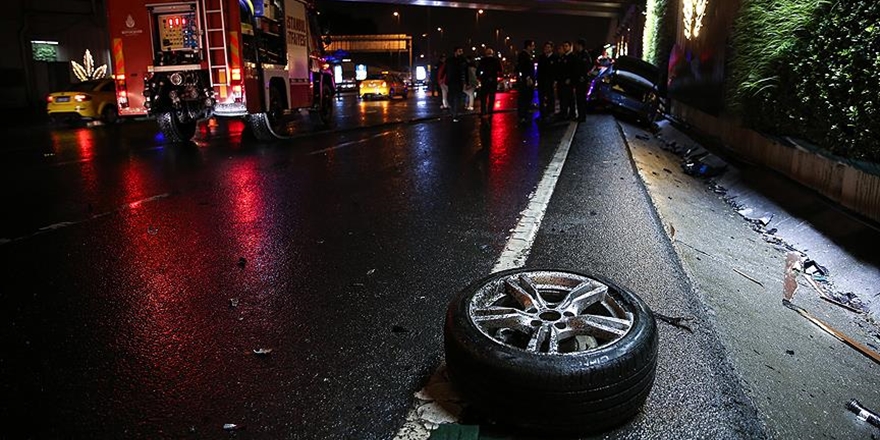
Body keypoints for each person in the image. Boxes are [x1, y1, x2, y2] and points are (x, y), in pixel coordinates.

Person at [477, 47, 502, 119]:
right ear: (492, 53)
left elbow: (478, 70)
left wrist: (480, 77)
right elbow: (500, 70)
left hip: (484, 80)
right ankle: (490, 111)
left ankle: (483, 111)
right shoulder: (496, 61)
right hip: (493, 80)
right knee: (492, 97)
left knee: (483, 97)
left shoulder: (483, 60)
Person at [516, 39, 536, 124]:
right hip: (526, 81)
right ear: (528, 46)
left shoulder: (528, 55)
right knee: (524, 98)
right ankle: (522, 116)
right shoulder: (523, 55)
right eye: (532, 45)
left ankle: (526, 114)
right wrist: (527, 77)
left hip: (529, 79)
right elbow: (523, 67)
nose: (534, 47)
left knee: (528, 97)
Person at [536, 41, 557, 122]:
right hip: (542, 81)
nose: (546, 49)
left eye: (548, 47)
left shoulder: (555, 58)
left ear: (551, 48)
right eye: (545, 47)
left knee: (550, 97)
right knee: (541, 98)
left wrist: (555, 80)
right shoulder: (541, 57)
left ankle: (550, 112)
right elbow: (539, 70)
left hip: (550, 81)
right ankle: (542, 114)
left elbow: (556, 71)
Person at [446, 47, 468, 122]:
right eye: (459, 51)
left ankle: (454, 113)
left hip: (457, 82)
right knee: (454, 97)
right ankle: (454, 113)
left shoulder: (461, 60)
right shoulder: (453, 60)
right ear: (455, 52)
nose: (461, 53)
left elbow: (465, 71)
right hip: (453, 81)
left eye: (461, 51)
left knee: (456, 97)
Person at [572, 39, 591, 121]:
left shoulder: (585, 55)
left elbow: (586, 68)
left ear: (580, 45)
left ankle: (582, 116)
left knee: (581, 99)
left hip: (582, 81)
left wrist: (583, 77)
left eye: (576, 45)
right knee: (579, 99)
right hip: (578, 80)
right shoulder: (578, 54)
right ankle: (580, 115)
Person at [557, 40, 575, 120]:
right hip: (561, 81)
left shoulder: (572, 57)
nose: (565, 48)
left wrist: (570, 79)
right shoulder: (563, 57)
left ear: (570, 47)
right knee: (562, 98)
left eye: (566, 46)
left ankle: (572, 113)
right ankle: (563, 112)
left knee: (570, 98)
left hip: (568, 82)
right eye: (564, 46)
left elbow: (573, 70)